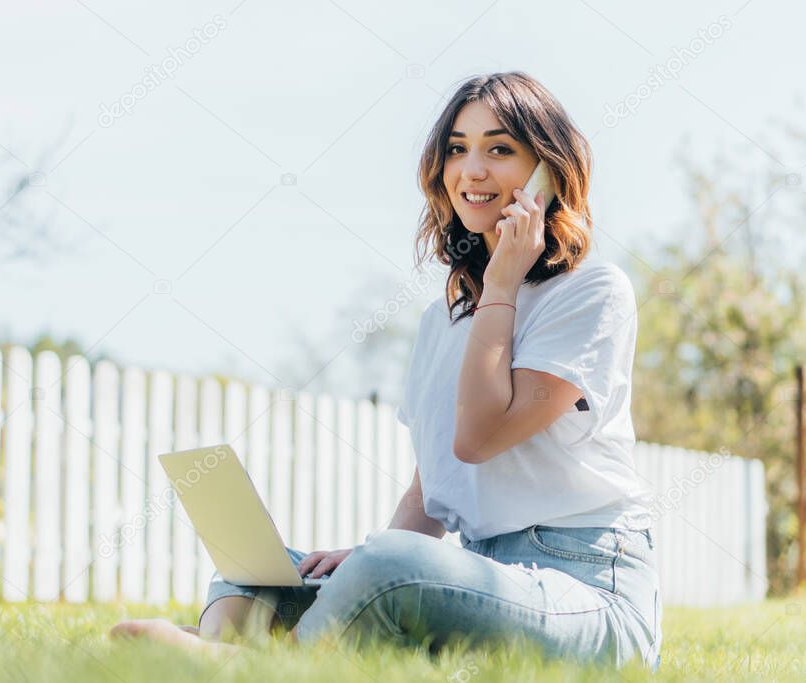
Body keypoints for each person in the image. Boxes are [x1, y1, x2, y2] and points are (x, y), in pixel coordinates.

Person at [110, 70, 662, 671]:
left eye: (500, 149)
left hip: (586, 593)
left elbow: (477, 439)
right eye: (457, 149)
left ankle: (249, 668)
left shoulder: (592, 294)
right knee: (259, 570)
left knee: (386, 565)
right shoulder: (444, 320)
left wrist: (502, 280)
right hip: (482, 578)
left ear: (547, 172)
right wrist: (365, 563)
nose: (471, 170)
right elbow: (434, 483)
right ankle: (219, 647)